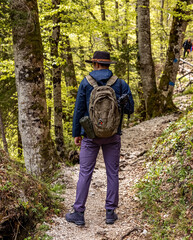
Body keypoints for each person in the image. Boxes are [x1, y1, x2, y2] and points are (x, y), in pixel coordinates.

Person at [65, 51, 134, 226]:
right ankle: (110, 212)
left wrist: (76, 134)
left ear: (95, 64)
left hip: (90, 135)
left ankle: (79, 212)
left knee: (85, 173)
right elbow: (129, 110)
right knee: (112, 172)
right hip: (112, 135)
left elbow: (79, 110)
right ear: (108, 65)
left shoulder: (86, 83)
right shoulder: (120, 83)